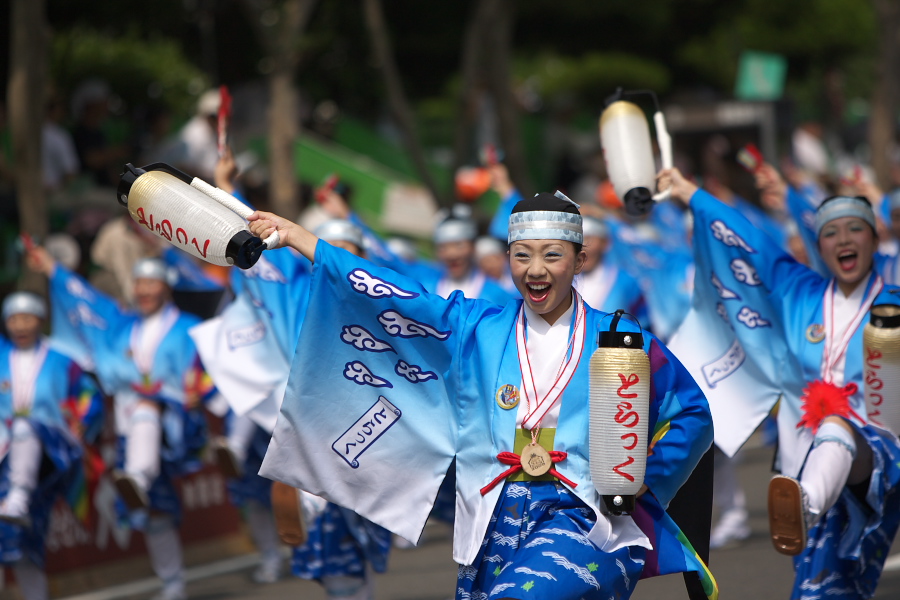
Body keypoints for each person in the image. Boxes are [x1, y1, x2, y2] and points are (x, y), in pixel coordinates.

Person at [249, 191, 717, 600]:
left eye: (552, 255)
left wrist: (638, 478)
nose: (535, 270)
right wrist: (300, 239)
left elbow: (691, 414)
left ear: (580, 260)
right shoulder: (479, 327)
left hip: (586, 515)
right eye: (522, 255)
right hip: (492, 511)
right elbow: (397, 295)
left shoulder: (620, 339)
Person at [662, 166, 900, 599]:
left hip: (879, 460)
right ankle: (802, 503)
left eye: (855, 229)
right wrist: (690, 193)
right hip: (798, 457)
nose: (844, 239)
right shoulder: (799, 291)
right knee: (832, 588)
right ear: (818, 244)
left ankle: (805, 503)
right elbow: (749, 242)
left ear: (875, 238)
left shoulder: (894, 303)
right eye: (831, 233)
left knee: (837, 426)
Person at [26, 252, 209, 600]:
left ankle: (138, 478)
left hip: (175, 422)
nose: (144, 291)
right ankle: (173, 583)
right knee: (155, 511)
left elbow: (204, 367)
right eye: (139, 283)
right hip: (130, 428)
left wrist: (196, 389)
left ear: (166, 287)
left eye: (151, 283)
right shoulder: (123, 325)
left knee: (145, 414)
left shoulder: (186, 326)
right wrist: (52, 268)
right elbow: (88, 301)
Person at [0, 292, 103, 600]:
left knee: (23, 424)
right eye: (13, 319)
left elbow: (89, 394)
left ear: (41, 321)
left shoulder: (61, 360)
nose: (20, 325)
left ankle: (20, 494)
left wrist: (84, 417)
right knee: (12, 538)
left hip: (49, 452)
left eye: (27, 318)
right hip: (5, 454)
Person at [574, 216, 645, 317]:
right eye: (577, 241)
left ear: (605, 243)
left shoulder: (625, 281)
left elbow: (643, 320)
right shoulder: (566, 281)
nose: (583, 248)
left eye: (589, 239)